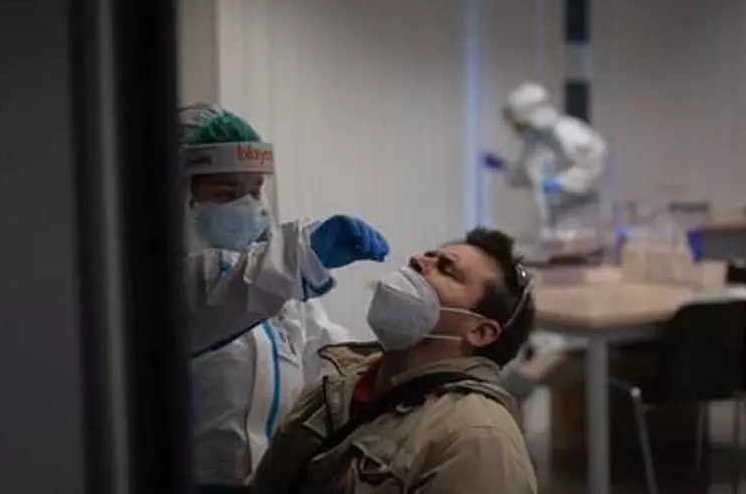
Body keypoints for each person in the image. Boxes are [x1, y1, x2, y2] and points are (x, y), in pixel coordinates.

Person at [180, 103, 390, 491]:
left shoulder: (282, 291)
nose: (247, 206)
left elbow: (329, 357)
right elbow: (222, 292)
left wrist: (398, 366)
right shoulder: (155, 284)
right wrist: (301, 254)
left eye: (255, 190)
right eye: (225, 192)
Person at [252, 227, 538, 493]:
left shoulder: (478, 440)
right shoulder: (338, 386)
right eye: (429, 255)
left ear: (479, 331)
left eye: (446, 268)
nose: (418, 260)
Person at [489, 82, 606, 244]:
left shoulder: (569, 132)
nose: (517, 129)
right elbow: (528, 176)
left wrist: (562, 182)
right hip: (552, 225)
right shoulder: (536, 144)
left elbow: (594, 165)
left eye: (519, 124)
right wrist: (503, 167)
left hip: (578, 221)